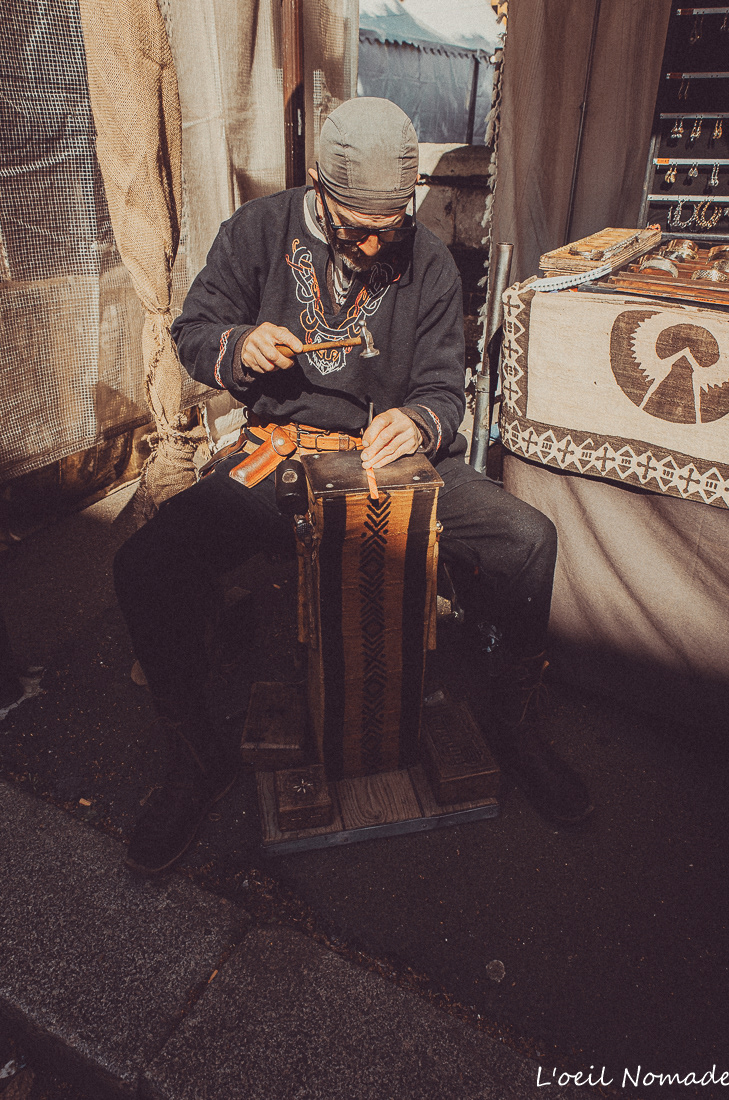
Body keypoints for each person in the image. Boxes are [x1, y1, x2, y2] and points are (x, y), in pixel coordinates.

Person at [114, 97, 591, 874]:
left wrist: (420, 423)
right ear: (315, 188)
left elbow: (443, 390)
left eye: (389, 227)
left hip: (388, 459)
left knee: (524, 539)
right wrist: (239, 345)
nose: (374, 244)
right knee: (146, 565)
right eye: (354, 228)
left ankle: (512, 726)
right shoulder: (258, 233)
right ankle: (196, 757)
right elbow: (194, 331)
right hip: (278, 456)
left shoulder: (429, 261)